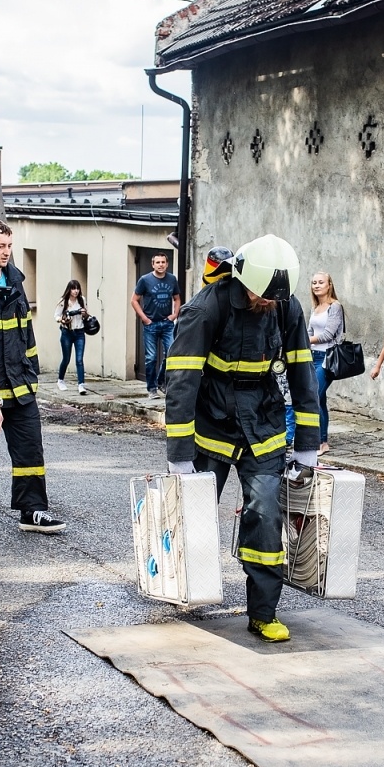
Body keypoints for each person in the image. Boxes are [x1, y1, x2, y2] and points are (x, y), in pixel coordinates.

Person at [163, 234, 320, 643]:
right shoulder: (206, 307)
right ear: (244, 279)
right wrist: (180, 455)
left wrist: (308, 444)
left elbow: (303, 373)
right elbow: (181, 380)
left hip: (263, 425)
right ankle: (179, 586)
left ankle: (263, 614)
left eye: (274, 297)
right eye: (261, 295)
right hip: (211, 426)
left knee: (266, 517)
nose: (268, 302)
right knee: (193, 518)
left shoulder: (285, 305)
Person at [0, 221, 65, 534]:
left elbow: (27, 333)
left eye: (9, 246)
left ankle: (32, 511)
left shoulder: (17, 281)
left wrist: (31, 372)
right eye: (0, 246)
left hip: (20, 385)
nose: (6, 252)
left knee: (30, 451)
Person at [132, 252, 181, 398]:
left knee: (171, 354)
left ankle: (161, 381)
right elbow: (134, 300)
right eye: (158, 262)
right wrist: (144, 318)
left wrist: (175, 315)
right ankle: (151, 389)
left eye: (163, 262)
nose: (161, 265)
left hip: (167, 324)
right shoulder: (145, 280)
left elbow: (177, 298)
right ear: (153, 264)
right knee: (151, 358)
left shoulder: (172, 279)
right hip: (151, 324)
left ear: (167, 264)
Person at [306, 272, 344, 455]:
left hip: (327, 358)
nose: (317, 285)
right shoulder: (315, 307)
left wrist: (304, 341)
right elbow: (309, 330)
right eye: (314, 282)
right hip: (312, 357)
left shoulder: (335, 307)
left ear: (329, 285)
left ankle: (321, 442)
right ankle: (321, 441)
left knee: (314, 396)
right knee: (319, 399)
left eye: (321, 282)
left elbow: (328, 335)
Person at [55, 279, 88, 395]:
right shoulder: (63, 301)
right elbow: (56, 316)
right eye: (73, 288)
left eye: (77, 288)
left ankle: (81, 384)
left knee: (79, 360)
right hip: (67, 332)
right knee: (66, 359)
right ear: (69, 290)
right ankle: (60, 380)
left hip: (79, 332)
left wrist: (84, 313)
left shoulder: (82, 300)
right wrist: (63, 319)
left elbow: (86, 315)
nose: (76, 291)